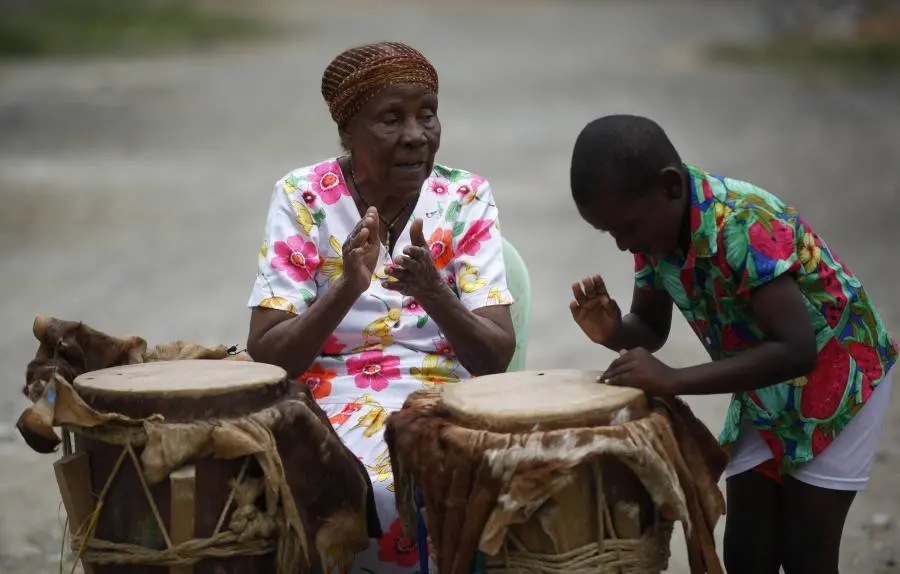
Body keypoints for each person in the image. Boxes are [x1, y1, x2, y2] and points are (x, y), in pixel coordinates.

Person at [566, 114, 896, 574]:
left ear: (669, 187)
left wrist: (673, 380)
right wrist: (614, 331)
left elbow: (798, 349)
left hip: (842, 379)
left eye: (626, 227)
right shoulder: (654, 232)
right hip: (766, 383)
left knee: (807, 556)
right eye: (611, 233)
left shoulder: (743, 222)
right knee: (746, 554)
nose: (624, 245)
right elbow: (651, 327)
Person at [244, 41, 516, 573]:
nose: (416, 134)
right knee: (349, 487)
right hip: (328, 399)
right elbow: (270, 356)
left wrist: (433, 291)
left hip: (442, 398)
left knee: (459, 483)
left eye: (427, 114)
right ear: (348, 131)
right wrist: (347, 286)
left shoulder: (465, 198)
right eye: (392, 119)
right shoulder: (303, 196)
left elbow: (495, 357)